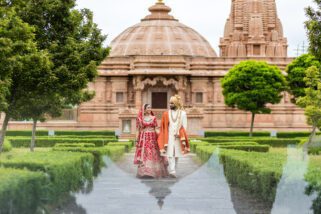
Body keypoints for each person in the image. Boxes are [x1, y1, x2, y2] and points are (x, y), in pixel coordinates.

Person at [158, 95, 190, 178]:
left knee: (176, 154)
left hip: (178, 136)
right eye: (169, 103)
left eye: (172, 103)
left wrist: (180, 134)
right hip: (169, 136)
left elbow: (184, 126)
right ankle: (172, 171)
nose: (170, 105)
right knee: (170, 154)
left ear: (176, 103)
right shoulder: (166, 113)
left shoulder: (183, 113)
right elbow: (164, 126)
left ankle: (174, 169)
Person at [134, 104, 168, 178]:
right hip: (144, 138)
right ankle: (145, 172)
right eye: (148, 108)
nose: (150, 109)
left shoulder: (154, 118)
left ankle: (154, 171)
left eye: (150, 108)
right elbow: (137, 130)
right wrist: (136, 140)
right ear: (144, 109)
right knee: (145, 153)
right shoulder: (140, 118)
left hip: (152, 138)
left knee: (154, 153)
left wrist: (161, 135)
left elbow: (156, 128)